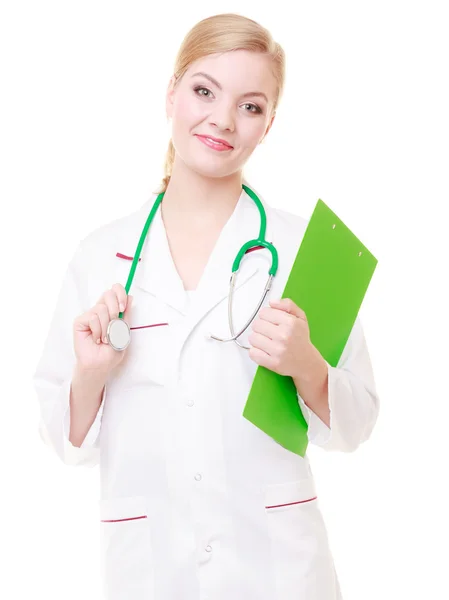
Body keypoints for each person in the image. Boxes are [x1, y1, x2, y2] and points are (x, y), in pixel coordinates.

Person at [33, 12, 379, 600]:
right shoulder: (99, 255)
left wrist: (306, 364)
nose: (222, 119)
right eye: (204, 91)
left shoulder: (305, 251)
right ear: (171, 94)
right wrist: (91, 374)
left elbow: (357, 424)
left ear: (269, 125)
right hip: (151, 571)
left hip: (280, 571)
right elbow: (62, 442)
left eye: (250, 106)